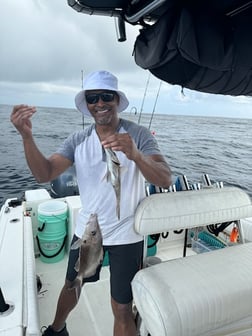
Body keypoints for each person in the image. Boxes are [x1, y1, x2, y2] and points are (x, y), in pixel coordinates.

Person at [11, 70, 172, 336]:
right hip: (88, 232)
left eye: (106, 96)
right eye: (92, 97)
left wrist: (135, 154)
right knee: (73, 285)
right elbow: (44, 174)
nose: (99, 103)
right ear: (86, 104)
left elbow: (165, 179)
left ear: (117, 100)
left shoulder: (138, 135)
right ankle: (56, 328)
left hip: (127, 234)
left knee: (122, 307)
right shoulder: (78, 140)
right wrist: (27, 136)